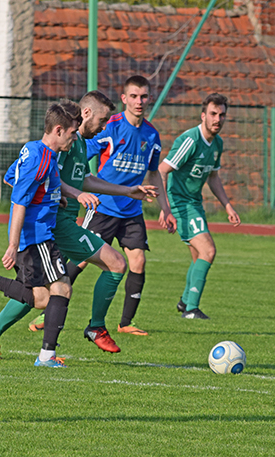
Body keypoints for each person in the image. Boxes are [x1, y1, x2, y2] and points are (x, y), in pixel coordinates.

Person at [0, 91, 158, 356]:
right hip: (56, 225)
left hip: (57, 222)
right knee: (112, 265)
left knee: (39, 292)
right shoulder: (61, 144)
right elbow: (23, 178)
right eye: (102, 120)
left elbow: (81, 179)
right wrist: (63, 196)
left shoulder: (78, 143)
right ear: (85, 114)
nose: (103, 127)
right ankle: (90, 330)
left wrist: (126, 191)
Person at [0, 101, 83, 367]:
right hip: (37, 237)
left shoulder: (36, 150)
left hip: (36, 236)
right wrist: (13, 244)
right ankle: (46, 356)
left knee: (40, 298)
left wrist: (53, 197)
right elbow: (19, 201)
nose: (75, 139)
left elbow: (11, 177)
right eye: (73, 133)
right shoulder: (42, 159)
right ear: (58, 130)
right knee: (62, 288)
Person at [67, 75, 176, 336]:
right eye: (134, 96)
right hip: (103, 207)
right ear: (124, 98)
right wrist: (75, 189)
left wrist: (166, 208)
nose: (140, 101)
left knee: (138, 261)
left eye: (144, 96)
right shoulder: (110, 127)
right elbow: (80, 153)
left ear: (149, 99)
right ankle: (48, 307)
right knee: (81, 259)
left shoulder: (152, 135)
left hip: (131, 210)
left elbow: (154, 174)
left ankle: (125, 323)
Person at [158, 93, 240, 320]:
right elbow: (162, 170)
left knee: (198, 258)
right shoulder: (191, 140)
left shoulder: (217, 144)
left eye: (222, 115)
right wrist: (166, 208)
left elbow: (213, 177)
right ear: (203, 115)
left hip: (195, 202)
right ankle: (191, 309)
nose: (217, 119)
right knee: (208, 251)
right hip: (180, 203)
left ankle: (185, 302)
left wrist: (228, 206)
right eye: (213, 114)